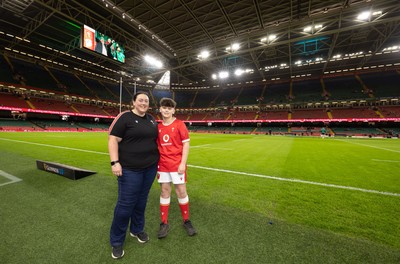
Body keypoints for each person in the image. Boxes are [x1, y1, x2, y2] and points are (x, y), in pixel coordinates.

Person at [108, 92, 159, 259]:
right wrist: (115, 162)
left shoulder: (151, 119)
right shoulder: (125, 117)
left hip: (149, 168)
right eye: (141, 100)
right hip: (130, 169)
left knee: (141, 202)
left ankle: (136, 230)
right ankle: (116, 241)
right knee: (125, 205)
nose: (144, 103)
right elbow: (113, 139)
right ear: (134, 102)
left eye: (146, 101)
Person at [156, 97, 197, 239]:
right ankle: (164, 223)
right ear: (160, 109)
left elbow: (186, 144)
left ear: (173, 110)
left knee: (181, 192)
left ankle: (186, 220)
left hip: (177, 165)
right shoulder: (158, 127)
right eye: (164, 108)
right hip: (162, 165)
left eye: (169, 108)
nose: (166, 110)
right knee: (164, 191)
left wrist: (182, 163)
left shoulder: (180, 124)